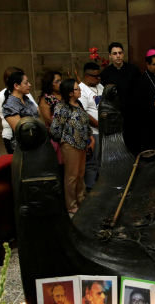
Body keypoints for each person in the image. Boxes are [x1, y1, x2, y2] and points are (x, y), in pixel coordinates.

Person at [50, 79, 94, 216]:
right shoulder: (61, 107)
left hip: (82, 144)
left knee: (80, 174)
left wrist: (89, 137)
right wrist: (65, 141)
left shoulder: (79, 103)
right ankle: (71, 205)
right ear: (70, 93)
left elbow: (84, 122)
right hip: (70, 144)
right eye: (77, 89)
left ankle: (81, 199)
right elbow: (55, 128)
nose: (80, 91)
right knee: (71, 176)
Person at [100, 42, 142, 153]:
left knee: (134, 143)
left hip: (133, 113)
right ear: (110, 56)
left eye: (120, 53)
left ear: (123, 54)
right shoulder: (106, 73)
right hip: (115, 115)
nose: (118, 55)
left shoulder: (133, 70)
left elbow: (140, 91)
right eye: (114, 53)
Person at [0, 67, 37, 154]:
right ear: (16, 84)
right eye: (25, 82)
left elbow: (36, 111)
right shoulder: (5, 98)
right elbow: (18, 128)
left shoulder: (26, 96)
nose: (29, 85)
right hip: (19, 139)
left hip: (34, 138)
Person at [78, 62, 104, 189]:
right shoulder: (81, 90)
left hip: (103, 132)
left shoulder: (100, 86)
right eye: (95, 76)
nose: (99, 79)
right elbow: (82, 112)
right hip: (93, 132)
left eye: (99, 76)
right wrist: (99, 125)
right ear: (87, 76)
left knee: (101, 162)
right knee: (92, 163)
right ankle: (90, 188)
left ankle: (100, 188)